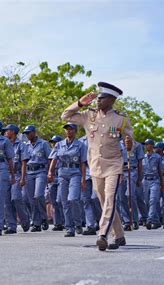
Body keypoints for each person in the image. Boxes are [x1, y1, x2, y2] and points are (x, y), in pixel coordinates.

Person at [62, 82, 133, 251]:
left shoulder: (121, 120)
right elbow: (65, 116)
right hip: (95, 166)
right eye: (98, 98)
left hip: (113, 166)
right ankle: (120, 235)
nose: (98, 101)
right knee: (103, 201)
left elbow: (130, 143)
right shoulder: (88, 116)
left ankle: (102, 235)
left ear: (112, 100)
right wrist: (79, 103)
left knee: (110, 199)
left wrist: (129, 144)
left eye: (102, 98)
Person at [48, 123, 87, 237]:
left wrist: (83, 179)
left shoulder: (80, 145)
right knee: (62, 201)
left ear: (75, 131)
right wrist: (50, 172)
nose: (69, 131)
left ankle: (78, 223)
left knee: (73, 199)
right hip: (62, 173)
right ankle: (69, 228)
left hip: (75, 173)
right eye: (67, 130)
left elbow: (83, 163)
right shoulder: (59, 144)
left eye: (71, 129)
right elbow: (54, 159)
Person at [23, 125, 52, 232]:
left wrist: (50, 173)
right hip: (29, 172)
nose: (27, 135)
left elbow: (50, 158)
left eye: (29, 133)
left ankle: (44, 217)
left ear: (34, 133)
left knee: (38, 195)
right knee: (30, 199)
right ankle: (36, 223)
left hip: (41, 171)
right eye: (26, 133)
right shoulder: (25, 145)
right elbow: (23, 161)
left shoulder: (43, 144)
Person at [2, 124, 30, 234]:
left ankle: (25, 219)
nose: (4, 133)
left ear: (13, 132)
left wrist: (23, 178)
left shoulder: (21, 145)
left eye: (6, 131)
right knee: (6, 201)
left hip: (17, 174)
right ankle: (11, 226)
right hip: (5, 174)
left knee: (16, 198)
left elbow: (23, 163)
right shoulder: (4, 144)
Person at [119, 140, 144, 231]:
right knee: (121, 198)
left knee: (130, 195)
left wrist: (139, 178)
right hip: (120, 171)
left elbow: (140, 162)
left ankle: (134, 219)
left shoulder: (137, 145)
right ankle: (126, 221)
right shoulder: (118, 144)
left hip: (132, 170)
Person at [78, 135, 99, 235]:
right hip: (85, 172)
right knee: (86, 200)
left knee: (95, 198)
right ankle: (90, 226)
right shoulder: (80, 141)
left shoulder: (100, 136)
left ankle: (100, 219)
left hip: (98, 171)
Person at [141, 139, 163, 229]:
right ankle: (156, 221)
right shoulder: (142, 157)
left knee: (153, 200)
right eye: (145, 144)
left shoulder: (157, 157)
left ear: (151, 145)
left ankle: (149, 220)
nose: (145, 146)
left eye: (147, 144)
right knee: (147, 202)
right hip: (145, 181)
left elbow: (160, 171)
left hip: (155, 180)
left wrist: (162, 184)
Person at [48, 135, 64, 231]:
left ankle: (65, 221)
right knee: (53, 201)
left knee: (60, 200)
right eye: (52, 143)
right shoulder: (52, 153)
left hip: (61, 176)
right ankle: (57, 223)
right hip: (53, 178)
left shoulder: (62, 152)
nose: (53, 144)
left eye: (55, 142)